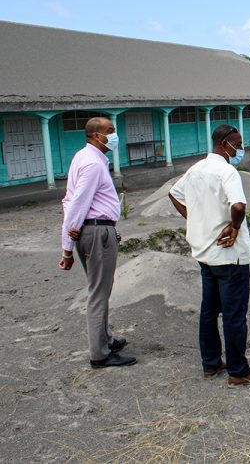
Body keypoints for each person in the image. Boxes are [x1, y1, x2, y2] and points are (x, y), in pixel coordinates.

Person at [168, 124, 250, 387]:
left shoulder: (195, 169)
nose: (241, 149)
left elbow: (174, 193)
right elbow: (238, 205)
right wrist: (235, 227)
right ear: (225, 144)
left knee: (209, 311)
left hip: (204, 252)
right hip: (229, 255)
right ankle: (238, 371)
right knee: (234, 314)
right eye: (239, 143)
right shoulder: (227, 171)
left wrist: (195, 220)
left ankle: (211, 364)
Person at [59, 117, 136, 369]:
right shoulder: (92, 163)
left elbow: (69, 200)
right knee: (99, 294)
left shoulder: (83, 158)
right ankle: (100, 354)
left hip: (91, 231)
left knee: (100, 289)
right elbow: (77, 203)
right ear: (95, 135)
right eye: (110, 131)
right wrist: (66, 249)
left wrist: (70, 244)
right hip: (97, 231)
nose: (114, 136)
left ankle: (107, 339)